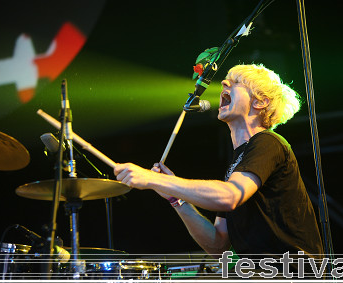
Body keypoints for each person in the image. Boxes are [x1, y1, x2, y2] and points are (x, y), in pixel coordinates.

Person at [114, 64, 323, 278]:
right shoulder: (237, 165)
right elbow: (218, 245)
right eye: (226, 80)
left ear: (260, 102)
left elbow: (229, 196)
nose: (223, 83)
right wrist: (174, 198)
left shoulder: (267, 142)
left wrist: (151, 179)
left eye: (236, 82)